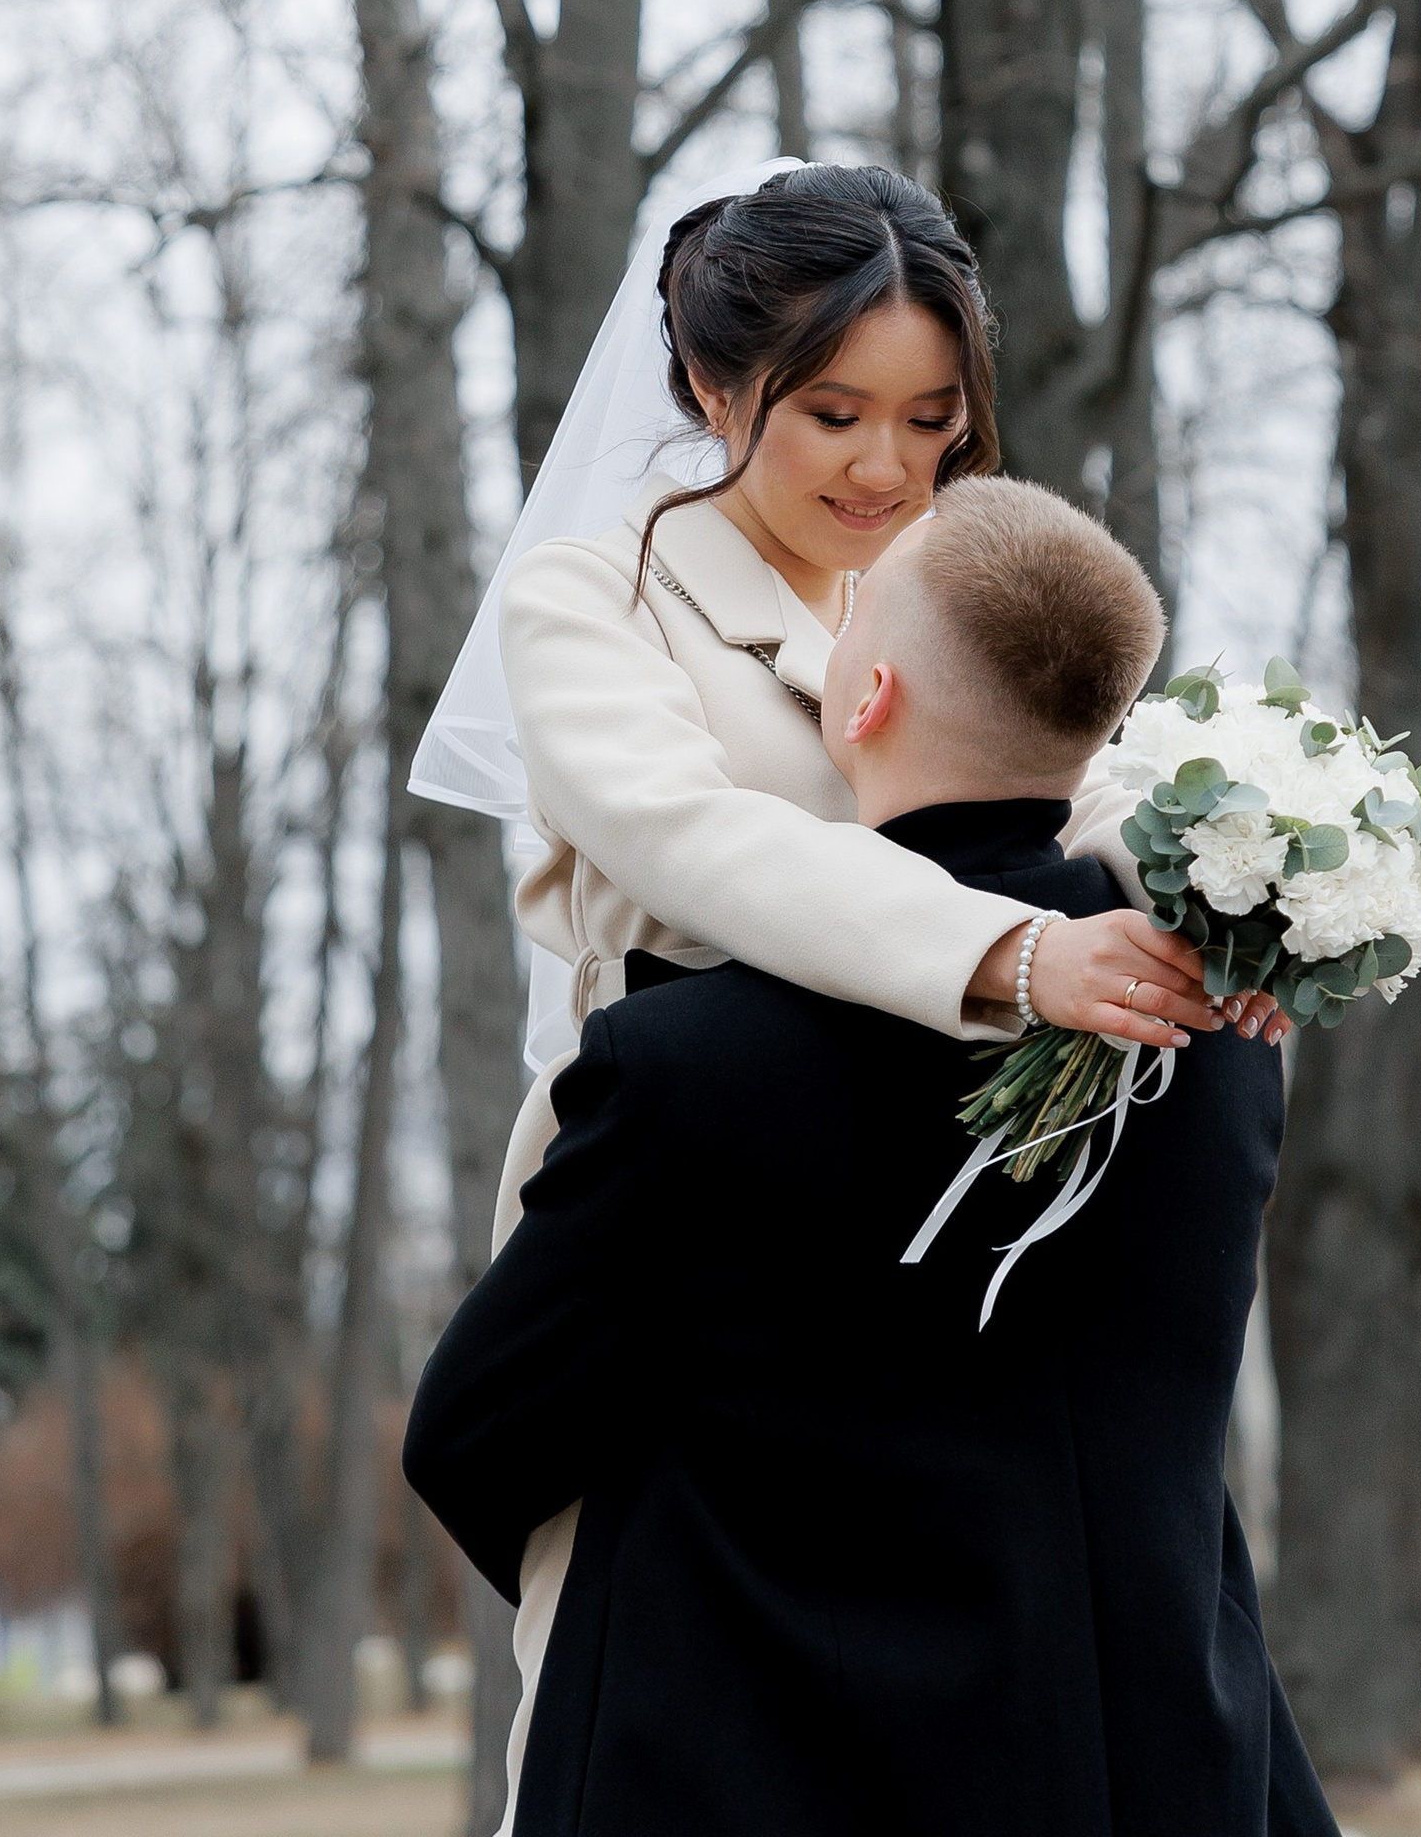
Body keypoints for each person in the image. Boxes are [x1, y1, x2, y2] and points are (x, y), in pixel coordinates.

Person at [406, 161, 1262, 1815]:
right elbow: (688, 835)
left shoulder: (952, 579)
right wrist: (1011, 953)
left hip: (953, 1226)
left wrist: (1236, 918)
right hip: (700, 1221)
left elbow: (1083, 773)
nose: (890, 467)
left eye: (933, 418)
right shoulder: (598, 600)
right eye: (833, 415)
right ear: (715, 388)